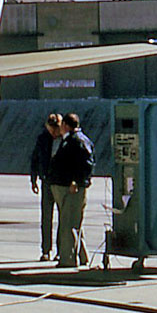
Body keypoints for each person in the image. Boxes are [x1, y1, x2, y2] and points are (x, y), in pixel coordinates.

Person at [48, 113, 95, 268]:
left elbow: (86, 164)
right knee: (72, 222)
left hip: (71, 188)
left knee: (69, 223)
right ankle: (82, 256)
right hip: (63, 185)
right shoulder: (69, 140)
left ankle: (67, 259)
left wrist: (77, 181)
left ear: (66, 125)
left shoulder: (78, 141)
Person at [30, 113, 62, 261]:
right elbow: (35, 157)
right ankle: (46, 250)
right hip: (47, 181)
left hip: (61, 182)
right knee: (46, 217)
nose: (53, 132)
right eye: (51, 129)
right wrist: (34, 178)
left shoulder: (65, 139)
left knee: (63, 218)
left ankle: (62, 250)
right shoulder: (43, 138)